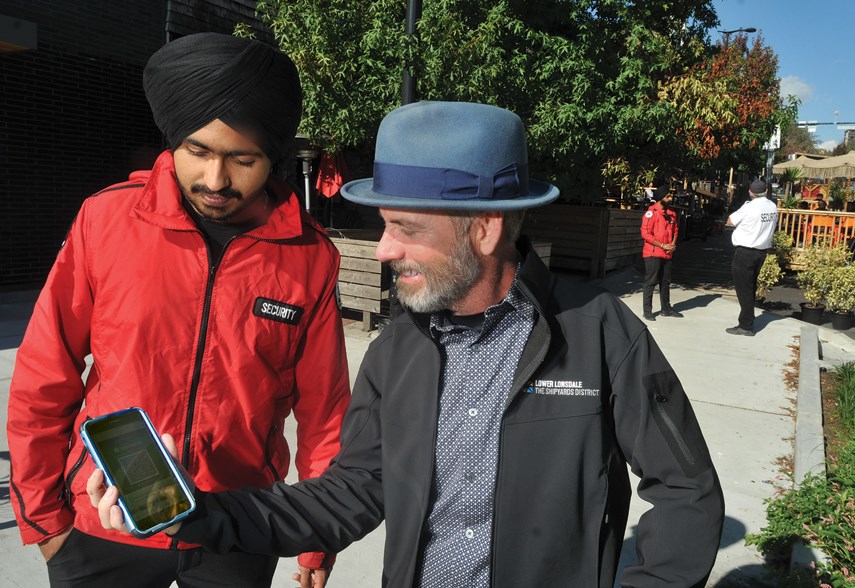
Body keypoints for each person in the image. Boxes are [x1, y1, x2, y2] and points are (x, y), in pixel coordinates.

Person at [90, 101, 725, 587]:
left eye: (405, 228)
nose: (385, 248)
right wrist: (197, 513)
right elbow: (350, 493)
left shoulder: (602, 333)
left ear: (484, 229)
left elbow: (687, 490)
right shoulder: (396, 352)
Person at [7, 32, 350, 588]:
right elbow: (45, 372)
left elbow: (325, 410)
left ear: (274, 157)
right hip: (104, 516)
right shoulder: (107, 221)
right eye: (199, 151)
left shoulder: (310, 258)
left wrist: (317, 539)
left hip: (239, 522)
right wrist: (45, 521)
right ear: (173, 143)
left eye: (243, 160)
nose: (216, 181)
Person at [726, 178, 778, 336]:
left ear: (750, 192)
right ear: (766, 191)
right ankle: (747, 321)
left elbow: (730, 221)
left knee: (744, 290)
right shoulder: (772, 206)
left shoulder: (749, 207)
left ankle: (746, 325)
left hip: (745, 252)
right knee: (750, 287)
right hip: (761, 252)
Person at [640, 185, 682, 320]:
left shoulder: (671, 214)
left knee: (666, 281)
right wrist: (663, 245)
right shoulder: (651, 213)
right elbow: (645, 234)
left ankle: (666, 308)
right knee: (651, 281)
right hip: (653, 253)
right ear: (660, 198)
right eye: (667, 196)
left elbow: (675, 230)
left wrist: (673, 244)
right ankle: (647, 310)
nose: (670, 198)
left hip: (667, 253)